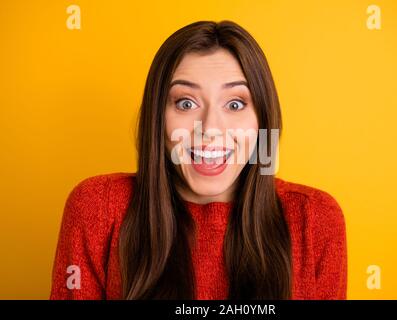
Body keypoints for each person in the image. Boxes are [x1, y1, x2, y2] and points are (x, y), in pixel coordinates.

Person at [50, 20, 347, 300]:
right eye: (186, 103)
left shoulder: (314, 218)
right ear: (158, 120)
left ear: (263, 122)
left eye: (235, 104)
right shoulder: (98, 208)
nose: (210, 129)